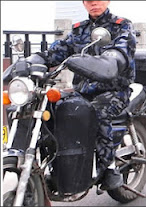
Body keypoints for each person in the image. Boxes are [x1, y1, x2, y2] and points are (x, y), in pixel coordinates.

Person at [5, 0, 136, 190]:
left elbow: (120, 53)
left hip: (114, 90)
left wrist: (110, 61)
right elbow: (55, 53)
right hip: (83, 91)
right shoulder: (78, 30)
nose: (94, 3)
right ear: (84, 3)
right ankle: (55, 163)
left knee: (97, 112)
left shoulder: (122, 26)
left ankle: (109, 167)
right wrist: (31, 61)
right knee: (49, 109)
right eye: (89, 0)